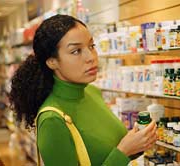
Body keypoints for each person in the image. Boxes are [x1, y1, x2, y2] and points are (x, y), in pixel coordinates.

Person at [9, 14, 157, 166]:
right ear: (52, 62)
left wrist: (138, 143)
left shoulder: (91, 92)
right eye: (76, 51)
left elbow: (107, 151)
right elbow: (119, 153)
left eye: (91, 46)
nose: (91, 57)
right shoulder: (52, 120)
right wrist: (123, 151)